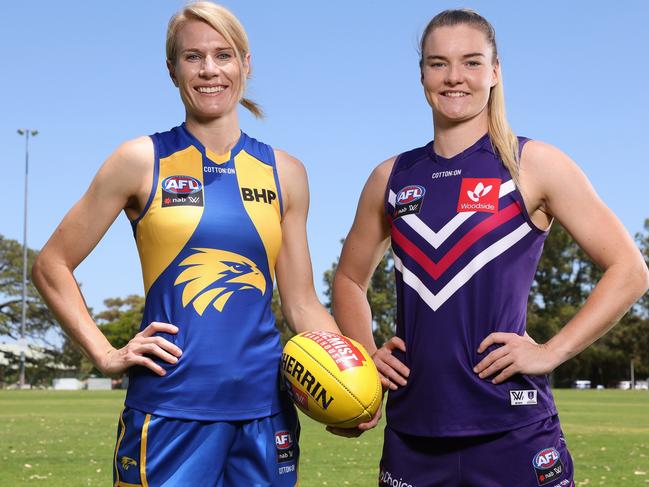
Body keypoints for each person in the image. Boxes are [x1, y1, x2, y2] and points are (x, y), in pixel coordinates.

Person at [331, 9, 649, 487]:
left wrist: (550, 351)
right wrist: (366, 354)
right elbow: (350, 279)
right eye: (438, 63)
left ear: (495, 72)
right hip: (413, 436)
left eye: (472, 62)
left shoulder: (532, 163)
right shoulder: (390, 177)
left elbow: (629, 269)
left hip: (516, 433)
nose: (454, 77)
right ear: (421, 75)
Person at [32, 2, 340, 485]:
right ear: (172, 69)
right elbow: (51, 265)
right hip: (169, 411)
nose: (210, 69)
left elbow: (301, 303)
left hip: (266, 414)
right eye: (193, 57)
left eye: (224, 54)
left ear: (245, 63)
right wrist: (105, 353)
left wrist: (349, 373)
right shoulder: (139, 160)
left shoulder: (287, 173)